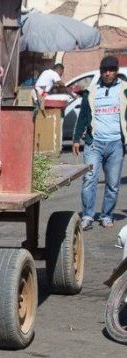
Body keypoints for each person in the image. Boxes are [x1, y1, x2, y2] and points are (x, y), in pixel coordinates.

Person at [72, 55, 127, 230]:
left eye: (111, 70)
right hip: (94, 144)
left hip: (116, 144)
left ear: (116, 72)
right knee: (89, 179)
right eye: (104, 70)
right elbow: (83, 116)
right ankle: (88, 215)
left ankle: (106, 215)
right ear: (101, 72)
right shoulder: (91, 92)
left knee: (113, 184)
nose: (107, 73)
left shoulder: (125, 90)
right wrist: (75, 138)